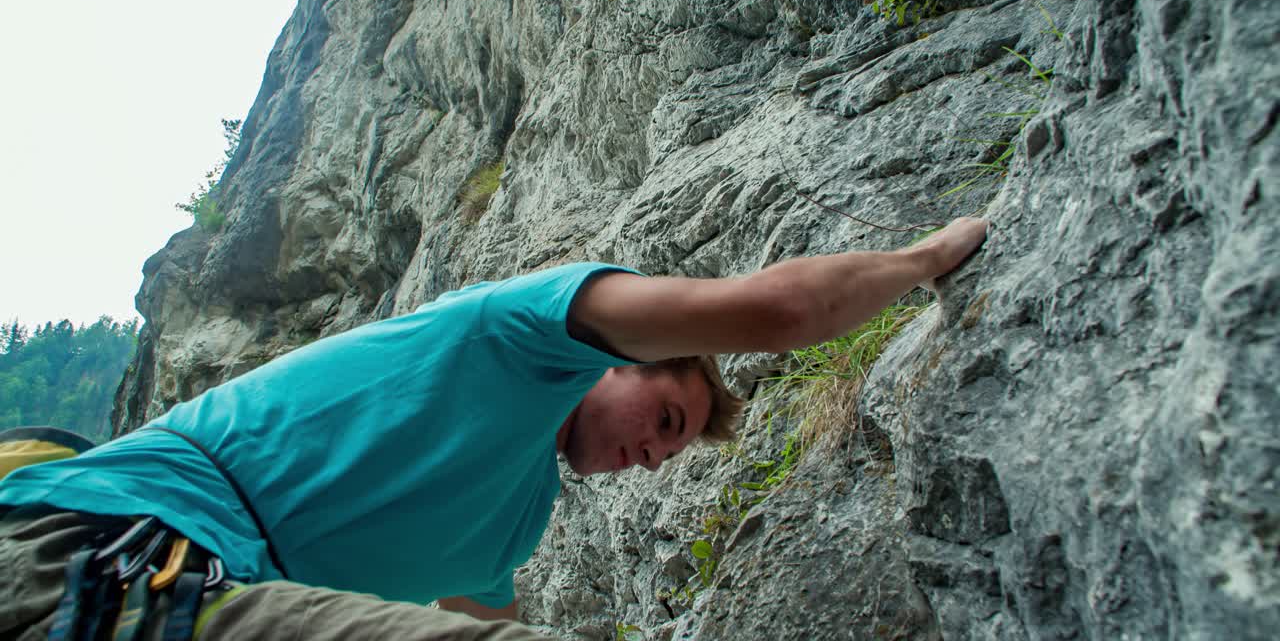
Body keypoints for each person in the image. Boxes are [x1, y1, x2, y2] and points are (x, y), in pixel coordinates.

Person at [0, 217, 988, 640]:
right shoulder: (518, 334)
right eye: (666, 417)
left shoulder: (511, 529)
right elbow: (777, 315)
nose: (651, 454)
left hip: (200, 584)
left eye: (666, 454)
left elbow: (491, 614)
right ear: (614, 360)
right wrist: (924, 258)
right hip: (107, 545)